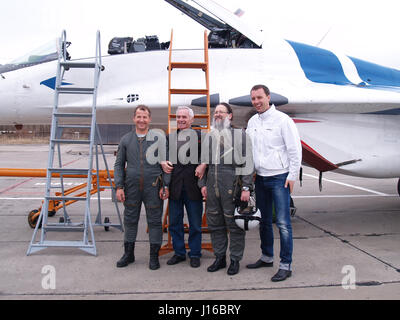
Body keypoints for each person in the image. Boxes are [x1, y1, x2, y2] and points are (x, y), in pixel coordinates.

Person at [246, 85, 302, 282]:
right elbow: (249, 150)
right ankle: (267, 257)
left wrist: (292, 176)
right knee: (264, 222)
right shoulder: (252, 121)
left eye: (259, 97)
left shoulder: (283, 121)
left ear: (268, 97)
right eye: (253, 98)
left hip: (279, 177)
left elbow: (294, 149)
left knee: (284, 224)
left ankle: (286, 265)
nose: (256, 102)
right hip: (260, 178)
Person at [199, 103, 254, 275]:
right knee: (215, 224)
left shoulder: (240, 136)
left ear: (230, 115)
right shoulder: (210, 136)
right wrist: (203, 185)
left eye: (221, 112)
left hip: (232, 187)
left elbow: (248, 163)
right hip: (213, 187)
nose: (217, 115)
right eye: (215, 112)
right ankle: (220, 258)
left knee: (235, 226)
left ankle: (235, 260)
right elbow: (204, 164)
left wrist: (246, 188)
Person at [114, 105, 169, 270]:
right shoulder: (126, 140)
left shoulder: (158, 140)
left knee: (154, 222)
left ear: (149, 119)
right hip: (131, 188)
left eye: (145, 117)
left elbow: (167, 165)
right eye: (139, 117)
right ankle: (128, 254)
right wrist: (119, 186)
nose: (141, 120)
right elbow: (118, 165)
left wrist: (165, 185)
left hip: (153, 187)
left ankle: (154, 256)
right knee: (130, 220)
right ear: (134, 118)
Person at [161, 106, 206, 268]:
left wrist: (203, 165)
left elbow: (209, 155)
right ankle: (179, 252)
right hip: (175, 187)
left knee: (195, 224)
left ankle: (195, 253)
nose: (180, 119)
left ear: (192, 120)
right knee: (174, 223)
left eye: (184, 117)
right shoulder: (169, 138)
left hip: (194, 187)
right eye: (178, 117)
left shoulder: (201, 137)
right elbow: (162, 156)